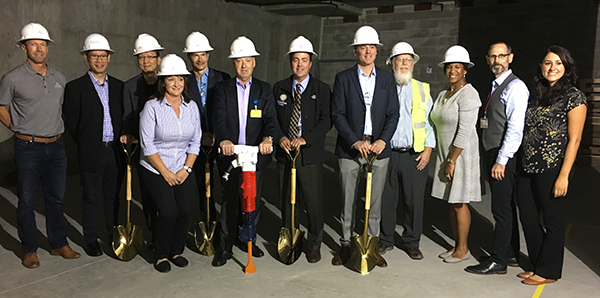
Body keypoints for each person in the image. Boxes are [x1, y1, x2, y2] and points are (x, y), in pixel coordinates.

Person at [0, 23, 80, 268]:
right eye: (33, 44)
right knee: (26, 200)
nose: (39, 49)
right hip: (28, 148)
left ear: (47, 48)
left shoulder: (59, 77)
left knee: (56, 199)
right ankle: (30, 249)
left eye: (43, 44)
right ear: (24, 48)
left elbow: (59, 108)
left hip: (56, 146)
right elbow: (1, 107)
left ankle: (59, 243)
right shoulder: (12, 78)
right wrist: (18, 128)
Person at [516, 46, 586, 285]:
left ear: (566, 67)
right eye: (547, 63)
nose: (552, 67)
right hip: (528, 164)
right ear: (541, 66)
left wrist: (564, 175)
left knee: (553, 220)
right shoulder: (538, 94)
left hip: (553, 166)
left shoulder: (574, 97)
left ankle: (549, 271)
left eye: (558, 63)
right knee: (527, 215)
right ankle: (537, 264)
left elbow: (575, 140)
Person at [331, 26, 399, 268]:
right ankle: (346, 245)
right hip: (351, 148)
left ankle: (371, 245)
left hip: (379, 148)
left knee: (375, 201)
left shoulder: (387, 79)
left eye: (372, 47)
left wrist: (382, 141)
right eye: (363, 47)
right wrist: (354, 141)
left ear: (377, 51)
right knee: (347, 199)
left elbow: (393, 114)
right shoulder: (343, 78)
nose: (368, 51)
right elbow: (337, 114)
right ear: (355, 50)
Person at [211, 36, 278, 267]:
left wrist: (268, 139)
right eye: (239, 61)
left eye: (248, 60)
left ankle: (247, 240)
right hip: (231, 157)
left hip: (254, 157)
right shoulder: (222, 89)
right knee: (230, 202)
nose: (244, 65)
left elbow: (270, 119)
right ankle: (225, 246)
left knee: (252, 202)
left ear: (254, 62)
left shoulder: (264, 89)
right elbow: (218, 119)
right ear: (233, 63)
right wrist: (224, 139)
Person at [465, 42, 529, 275]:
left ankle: (498, 260)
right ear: (487, 59)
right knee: (505, 207)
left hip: (504, 155)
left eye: (501, 56)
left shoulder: (515, 87)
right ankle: (510, 252)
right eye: (492, 57)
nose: (497, 61)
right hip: (496, 152)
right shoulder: (496, 85)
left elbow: (515, 128)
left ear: (510, 57)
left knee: (501, 209)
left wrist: (501, 160)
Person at [138, 54, 201, 273]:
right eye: (171, 79)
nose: (176, 84)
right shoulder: (152, 107)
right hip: (156, 168)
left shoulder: (191, 107)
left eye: (180, 79)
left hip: (182, 166)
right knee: (168, 212)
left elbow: (196, 140)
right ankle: (161, 254)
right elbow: (147, 145)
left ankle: (176, 250)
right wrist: (165, 172)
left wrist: (187, 169)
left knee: (184, 211)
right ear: (162, 81)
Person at [63, 33, 124, 257]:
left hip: (114, 151)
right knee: (90, 196)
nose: (99, 60)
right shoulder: (75, 88)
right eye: (94, 56)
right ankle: (90, 238)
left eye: (103, 56)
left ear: (109, 58)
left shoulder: (118, 87)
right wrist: (87, 142)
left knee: (112, 196)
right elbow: (72, 122)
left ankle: (112, 234)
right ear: (86, 58)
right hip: (92, 150)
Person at [273, 36, 332, 263]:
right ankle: (292, 240)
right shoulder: (279, 88)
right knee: (289, 200)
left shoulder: (322, 89)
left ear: (310, 63)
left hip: (310, 155)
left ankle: (314, 243)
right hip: (286, 154)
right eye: (296, 60)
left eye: (304, 60)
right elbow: (272, 119)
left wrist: (306, 139)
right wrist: (280, 138)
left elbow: (326, 120)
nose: (300, 64)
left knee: (313, 201)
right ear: (290, 62)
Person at [379, 42, 435, 260]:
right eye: (400, 59)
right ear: (392, 63)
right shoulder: (383, 87)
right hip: (387, 152)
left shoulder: (422, 89)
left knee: (414, 201)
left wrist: (429, 149)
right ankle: (385, 239)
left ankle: (412, 242)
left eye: (408, 59)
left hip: (415, 154)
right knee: (386, 199)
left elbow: (430, 123)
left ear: (413, 64)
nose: (404, 63)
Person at [430, 45, 481, 264]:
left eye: (457, 67)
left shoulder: (469, 94)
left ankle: (463, 248)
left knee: (459, 202)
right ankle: (455, 245)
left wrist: (452, 160)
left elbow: (465, 129)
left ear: (465, 70)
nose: (452, 71)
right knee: (450, 202)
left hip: (460, 155)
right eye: (449, 67)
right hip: (445, 154)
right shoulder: (443, 94)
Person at [182, 31, 231, 225]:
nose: (200, 59)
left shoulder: (223, 78)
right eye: (195, 55)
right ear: (189, 57)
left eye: (203, 54)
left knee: (229, 186)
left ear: (208, 55)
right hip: (196, 143)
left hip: (222, 141)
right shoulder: (183, 81)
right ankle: (209, 224)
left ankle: (229, 229)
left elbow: (229, 112)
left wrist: (220, 135)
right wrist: (200, 135)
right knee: (203, 187)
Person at [121, 33, 163, 241]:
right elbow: (128, 116)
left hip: (168, 147)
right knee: (148, 194)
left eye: (150, 57)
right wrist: (129, 135)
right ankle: (154, 234)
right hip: (145, 149)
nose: (146, 61)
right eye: (141, 57)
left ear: (159, 59)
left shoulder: (169, 82)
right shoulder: (129, 87)